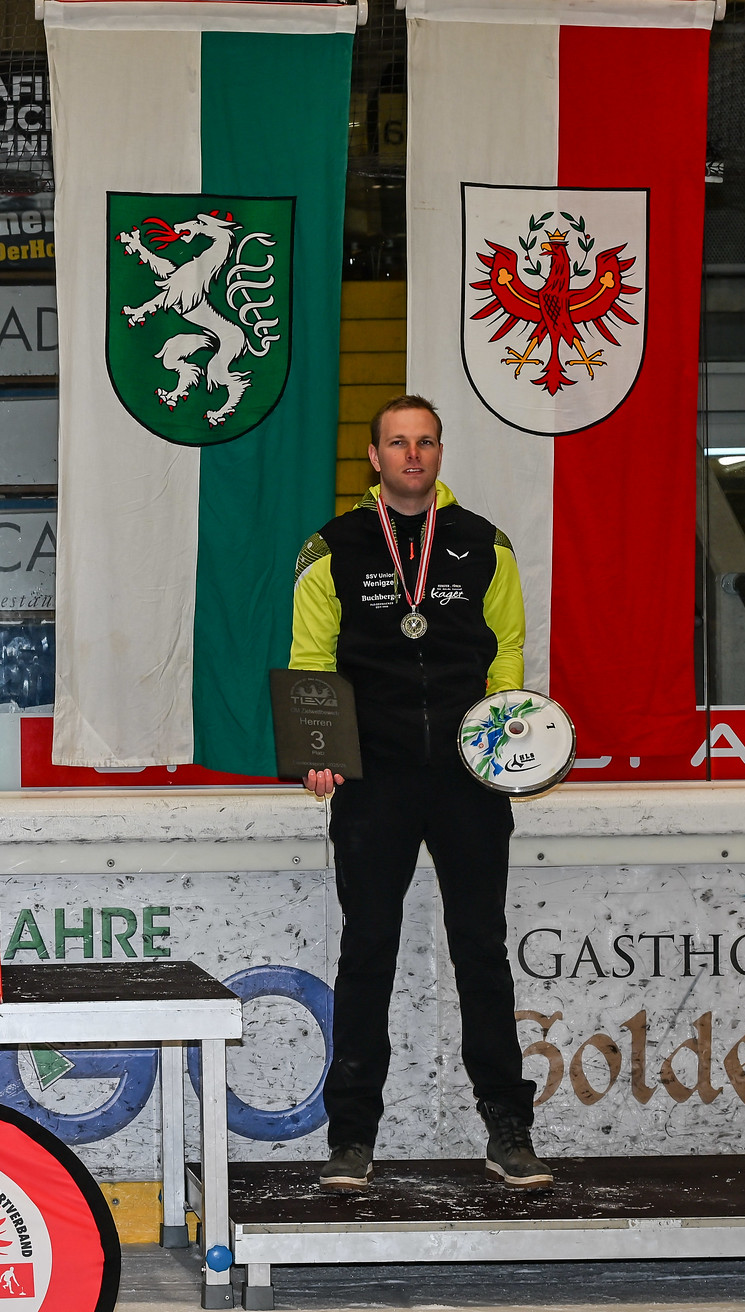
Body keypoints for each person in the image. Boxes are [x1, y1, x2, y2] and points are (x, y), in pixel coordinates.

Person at [290, 394, 550, 1191]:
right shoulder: (332, 546)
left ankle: (508, 1128)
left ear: (440, 453)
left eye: (425, 442)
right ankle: (351, 1135)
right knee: (367, 948)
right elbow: (312, 657)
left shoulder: (483, 544)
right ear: (374, 457)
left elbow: (507, 643)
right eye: (397, 443)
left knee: (482, 949)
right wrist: (323, 750)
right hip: (375, 779)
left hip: (469, 778)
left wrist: (495, 730)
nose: (412, 455)